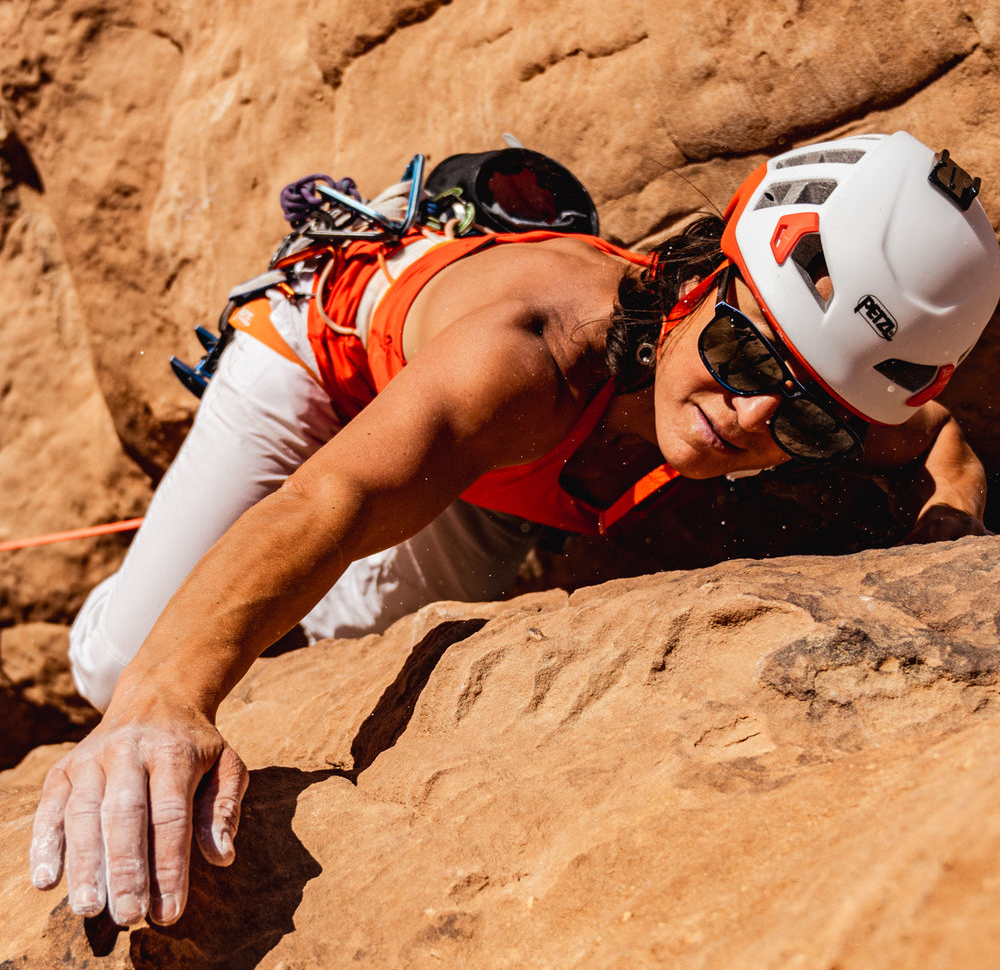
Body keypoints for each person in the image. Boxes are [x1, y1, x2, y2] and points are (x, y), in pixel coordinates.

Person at [30, 131, 1000, 927]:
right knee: (117, 666)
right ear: (705, 276)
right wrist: (165, 696)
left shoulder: (807, 384)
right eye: (740, 350)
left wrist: (947, 523)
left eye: (806, 418)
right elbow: (333, 501)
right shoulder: (528, 361)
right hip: (321, 367)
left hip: (492, 486)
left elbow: (937, 439)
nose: (747, 418)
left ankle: (264, 595)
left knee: (352, 632)